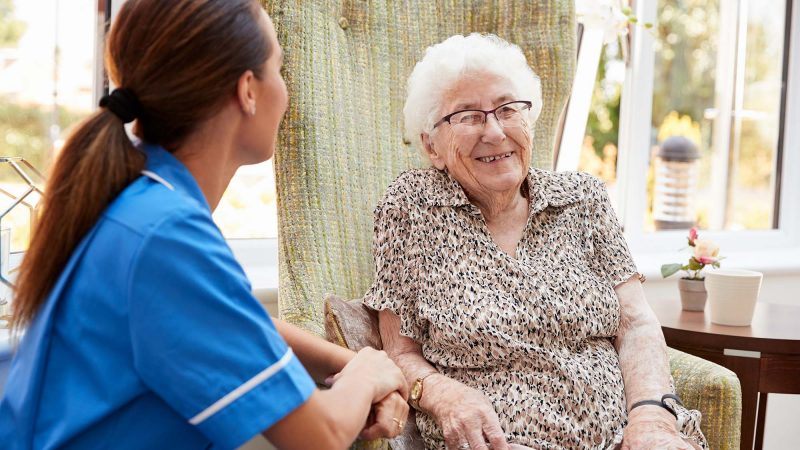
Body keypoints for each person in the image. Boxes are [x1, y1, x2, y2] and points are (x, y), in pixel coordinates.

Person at [0, 1, 407, 449]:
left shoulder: (138, 203)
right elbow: (320, 437)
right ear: (248, 90)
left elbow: (233, 318)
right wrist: (371, 373)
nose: (287, 90)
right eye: (279, 67)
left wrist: (350, 363)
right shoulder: (166, 238)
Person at [363, 33, 707, 450]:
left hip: (625, 438)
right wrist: (442, 394)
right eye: (468, 116)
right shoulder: (412, 209)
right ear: (432, 145)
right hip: (502, 441)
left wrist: (651, 418)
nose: (494, 131)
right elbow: (399, 352)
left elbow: (635, 324)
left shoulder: (584, 198)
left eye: (508, 109)